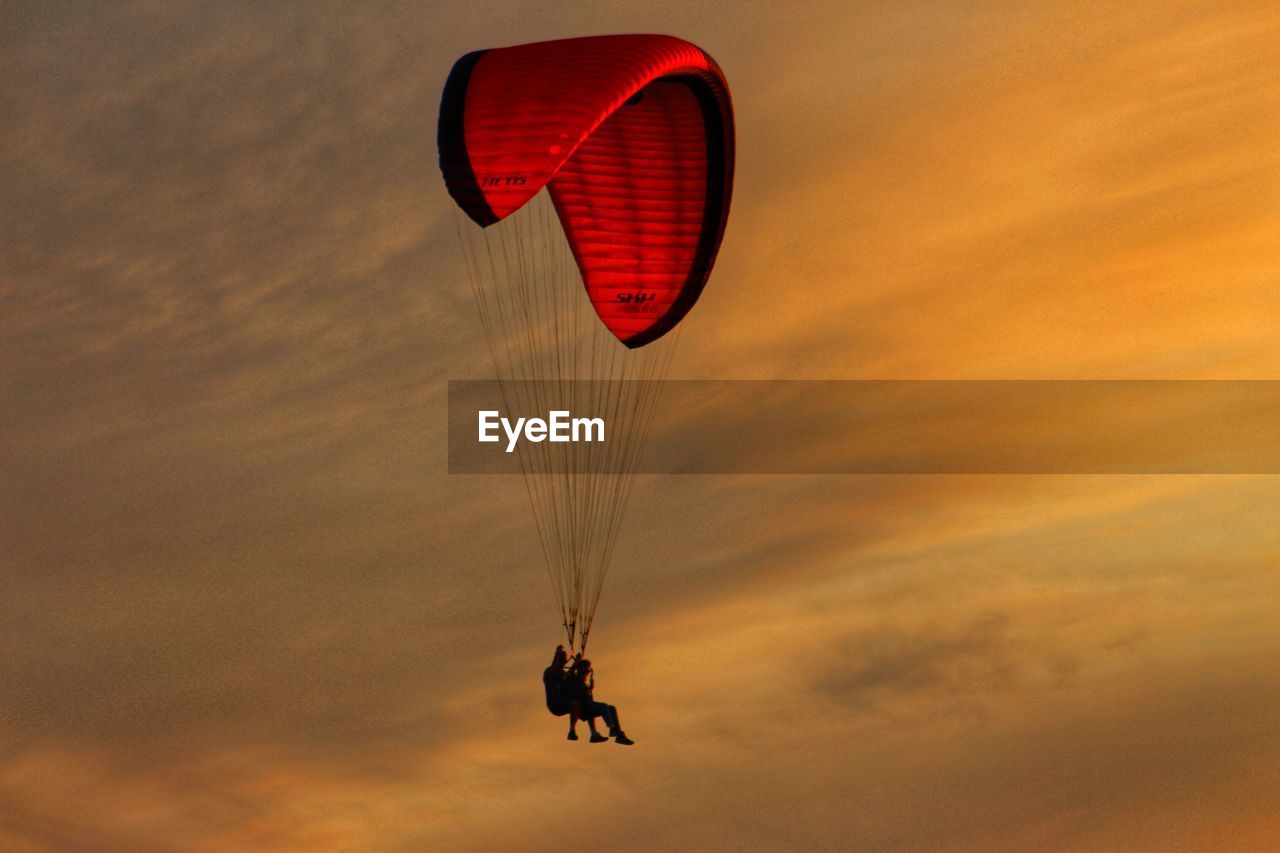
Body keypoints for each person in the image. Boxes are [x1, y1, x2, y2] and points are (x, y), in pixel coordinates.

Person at [562, 656, 633, 746]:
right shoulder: (573, 678)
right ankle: (612, 728)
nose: (587, 672)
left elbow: (588, 699)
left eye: (588, 670)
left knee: (611, 708)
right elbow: (568, 674)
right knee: (604, 706)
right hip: (579, 706)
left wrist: (590, 690)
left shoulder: (585, 684)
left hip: (586, 707)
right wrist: (576, 664)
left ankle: (619, 735)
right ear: (580, 669)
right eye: (586, 669)